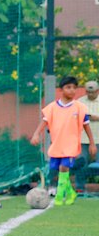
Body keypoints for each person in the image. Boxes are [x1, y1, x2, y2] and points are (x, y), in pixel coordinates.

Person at [29, 75, 96, 206]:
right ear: (61, 90)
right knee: (57, 169)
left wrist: (92, 143)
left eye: (74, 88)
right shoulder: (52, 107)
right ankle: (71, 192)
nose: (72, 90)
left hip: (71, 145)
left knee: (63, 167)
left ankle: (59, 196)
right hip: (57, 145)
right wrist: (36, 134)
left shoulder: (80, 108)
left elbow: (86, 126)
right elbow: (44, 123)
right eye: (68, 87)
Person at [75, 80, 99, 189]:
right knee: (81, 163)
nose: (90, 94)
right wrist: (88, 117)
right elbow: (75, 117)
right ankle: (80, 187)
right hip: (83, 140)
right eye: (88, 92)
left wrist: (95, 118)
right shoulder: (80, 102)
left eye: (92, 92)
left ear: (97, 91)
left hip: (98, 140)